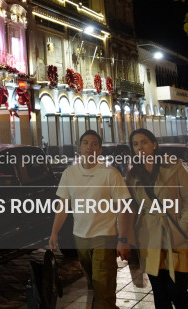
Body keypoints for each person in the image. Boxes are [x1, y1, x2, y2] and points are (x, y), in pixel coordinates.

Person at [49, 130, 132, 309]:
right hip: (80, 237)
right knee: (94, 285)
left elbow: (123, 207)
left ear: (100, 150)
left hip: (105, 236)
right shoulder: (70, 173)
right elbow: (63, 205)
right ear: (79, 148)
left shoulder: (110, 173)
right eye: (85, 143)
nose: (89, 147)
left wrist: (123, 239)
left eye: (94, 143)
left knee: (103, 286)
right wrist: (54, 232)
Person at [127, 129, 188, 309]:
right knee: (159, 292)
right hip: (149, 237)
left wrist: (184, 229)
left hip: (175, 234)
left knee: (178, 290)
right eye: (135, 144)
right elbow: (132, 207)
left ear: (154, 144)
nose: (140, 147)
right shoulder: (133, 175)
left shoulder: (173, 166)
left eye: (143, 142)